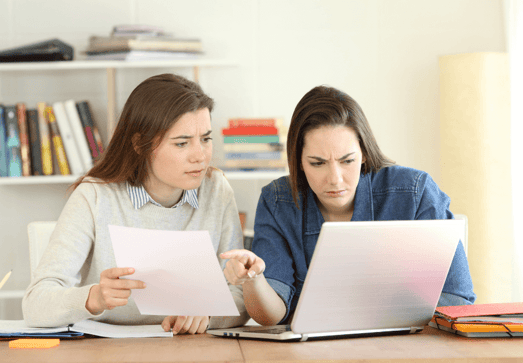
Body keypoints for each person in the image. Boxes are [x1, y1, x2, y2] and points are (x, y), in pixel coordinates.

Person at [221, 85, 476, 326]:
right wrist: (253, 279)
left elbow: (457, 300)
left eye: (347, 160)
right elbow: (271, 316)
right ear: (298, 161)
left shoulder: (414, 193)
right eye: (317, 163)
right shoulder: (278, 201)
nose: (335, 179)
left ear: (364, 152)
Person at [23, 73, 249, 334]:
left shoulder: (217, 189)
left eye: (206, 139)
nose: (200, 155)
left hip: (190, 346)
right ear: (140, 144)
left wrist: (209, 313)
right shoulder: (95, 196)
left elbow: (242, 295)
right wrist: (93, 297)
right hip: (105, 349)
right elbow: (35, 303)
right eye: (182, 143)